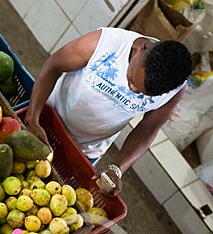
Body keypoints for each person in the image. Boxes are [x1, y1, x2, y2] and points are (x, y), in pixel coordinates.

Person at [25, 27, 192, 197]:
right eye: (132, 80)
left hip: (85, 151)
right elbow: (54, 65)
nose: (133, 90)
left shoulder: (175, 90)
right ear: (140, 50)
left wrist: (117, 168)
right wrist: (32, 118)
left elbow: (148, 129)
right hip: (46, 121)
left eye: (141, 93)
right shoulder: (106, 43)